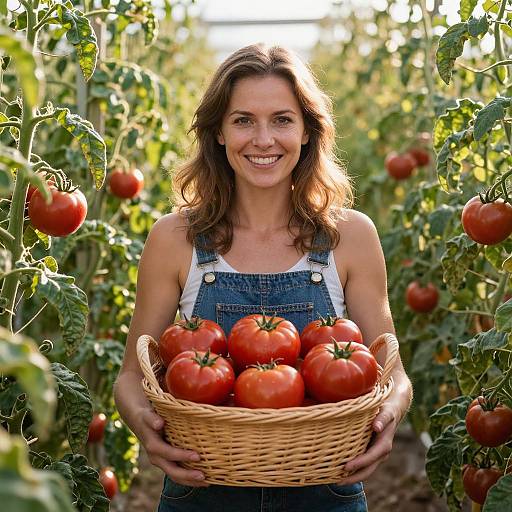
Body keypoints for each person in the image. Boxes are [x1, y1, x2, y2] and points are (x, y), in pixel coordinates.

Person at [114, 43, 413, 512]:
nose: (263, 139)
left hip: (325, 489)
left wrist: (391, 414)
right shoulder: (175, 238)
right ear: (217, 132)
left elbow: (391, 371)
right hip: (203, 488)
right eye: (243, 120)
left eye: (282, 119)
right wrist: (145, 428)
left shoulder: (350, 236)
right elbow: (132, 377)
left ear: (308, 132)